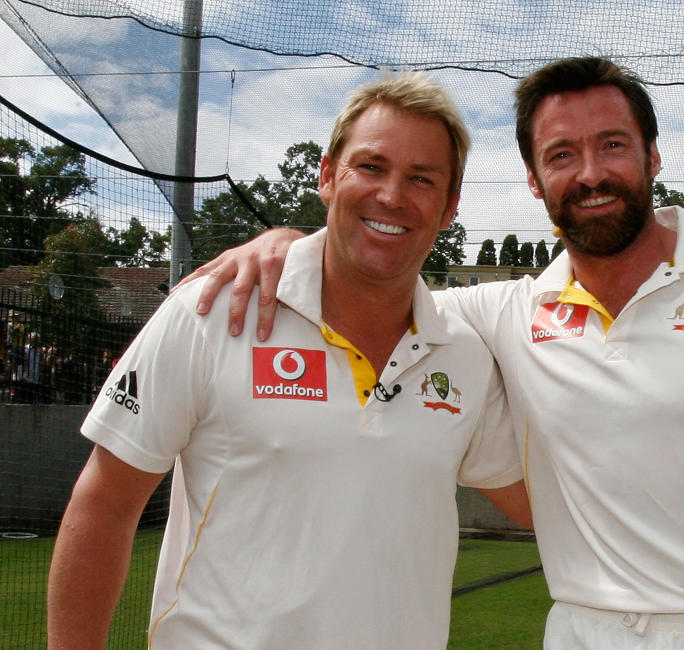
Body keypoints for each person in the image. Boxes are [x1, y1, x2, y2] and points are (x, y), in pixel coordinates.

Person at [186, 57, 684, 649]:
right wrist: (284, 244)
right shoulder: (498, 312)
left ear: (653, 155)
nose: (591, 174)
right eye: (561, 155)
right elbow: (366, 288)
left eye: (612, 146)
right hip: (579, 630)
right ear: (535, 181)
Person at [47, 74, 529, 650]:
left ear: (449, 206)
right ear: (328, 176)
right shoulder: (210, 310)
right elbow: (104, 504)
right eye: (371, 167)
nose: (393, 196)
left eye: (421, 179)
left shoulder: (463, 354)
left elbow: (542, 506)